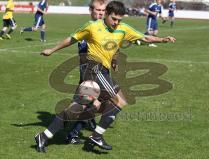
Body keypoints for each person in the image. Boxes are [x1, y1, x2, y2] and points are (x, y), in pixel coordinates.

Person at [37, 0, 176, 152]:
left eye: (119, 20)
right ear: (107, 14)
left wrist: (162, 39)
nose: (116, 23)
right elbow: (72, 39)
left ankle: (43, 136)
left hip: (102, 71)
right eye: (114, 19)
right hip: (94, 70)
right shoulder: (92, 27)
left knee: (78, 109)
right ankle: (96, 135)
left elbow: (144, 38)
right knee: (120, 101)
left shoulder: (123, 29)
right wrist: (52, 49)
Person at [66, 0, 118, 145]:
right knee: (99, 103)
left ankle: (80, 126)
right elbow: (84, 56)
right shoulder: (88, 29)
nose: (101, 13)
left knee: (88, 104)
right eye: (98, 10)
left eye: (103, 11)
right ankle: (73, 132)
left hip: (101, 72)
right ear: (91, 10)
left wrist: (114, 60)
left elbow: (113, 46)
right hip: (90, 73)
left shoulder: (105, 28)